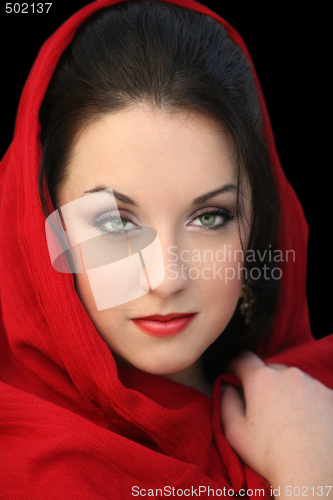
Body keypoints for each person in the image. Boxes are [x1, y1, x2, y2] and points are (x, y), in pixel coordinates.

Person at [0, 0, 332, 498]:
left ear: (258, 221)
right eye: (116, 221)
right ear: (44, 224)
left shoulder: (316, 401)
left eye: (210, 217)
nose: (165, 277)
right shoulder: (25, 469)